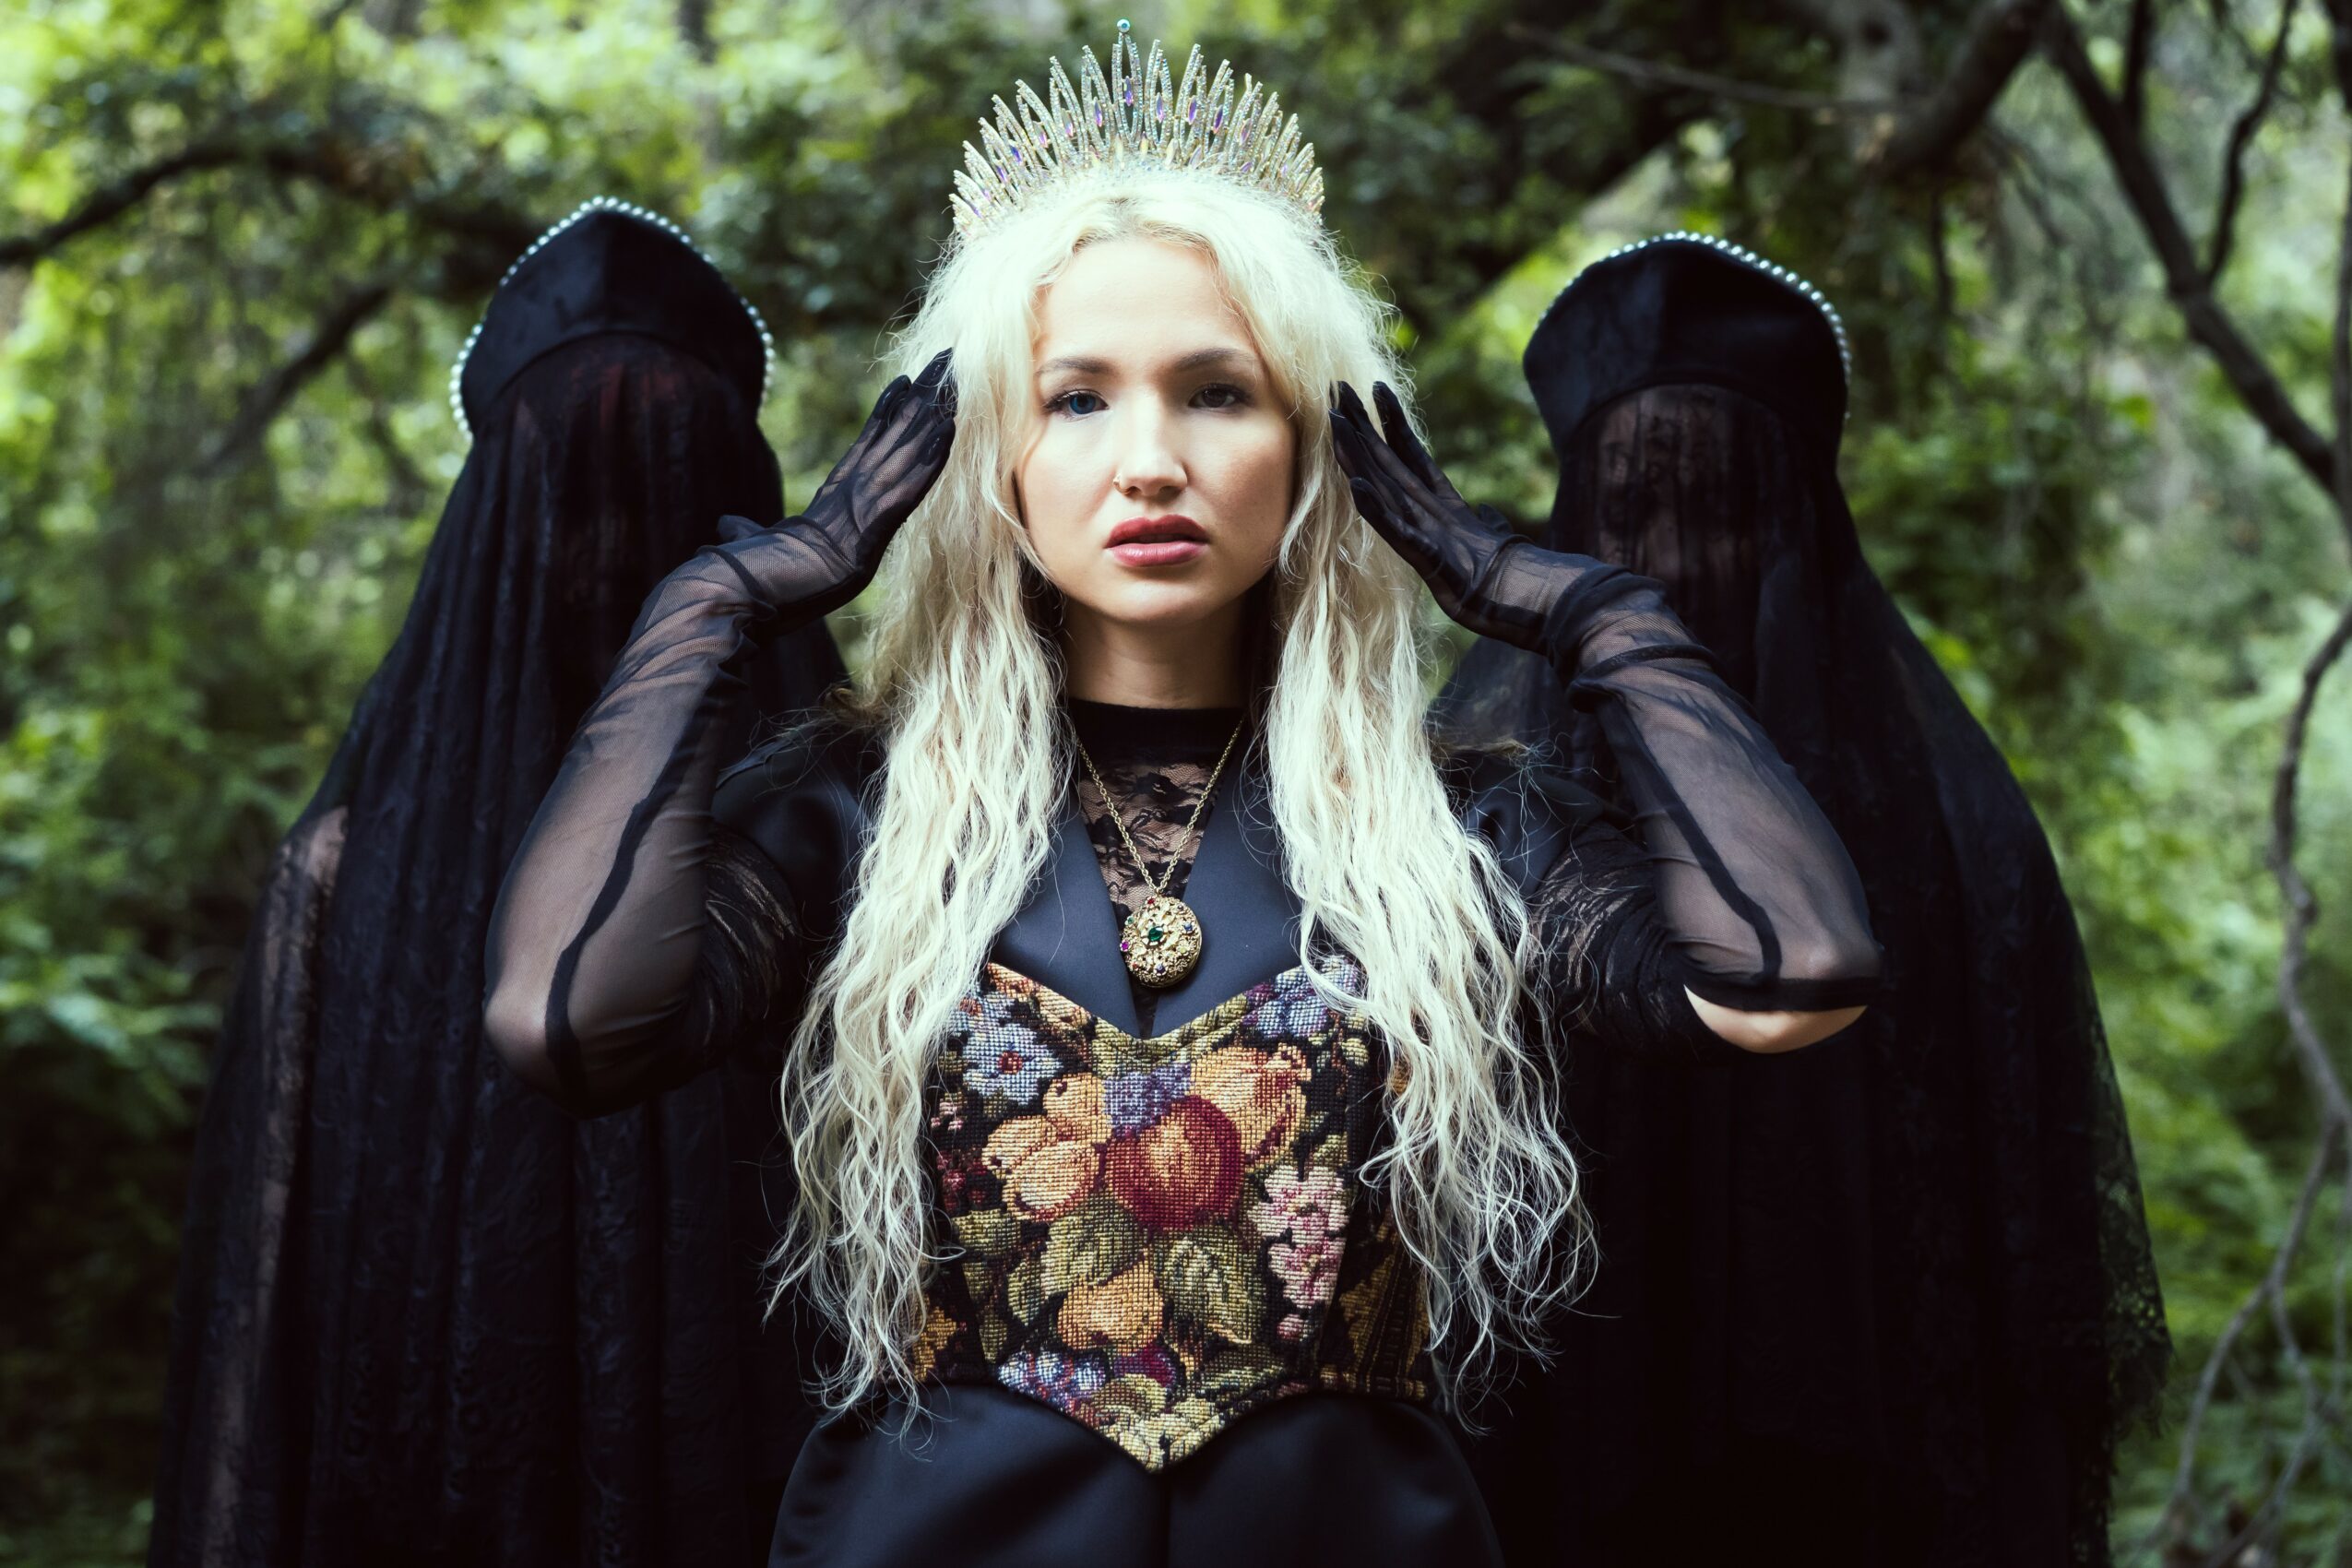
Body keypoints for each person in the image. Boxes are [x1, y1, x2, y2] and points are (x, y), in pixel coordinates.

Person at [481, 30, 1883, 1565]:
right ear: (986, 454)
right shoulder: (855, 817)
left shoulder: (1455, 828)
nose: (1149, 461)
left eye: (1218, 392)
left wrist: (1593, 615)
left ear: (1315, 446)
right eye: (1076, 400)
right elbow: (566, 1021)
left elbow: (1790, 974)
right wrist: (726, 599)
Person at [1436, 233, 2171, 1567]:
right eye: (1626, 517)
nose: (1665, 563)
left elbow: (2014, 1258)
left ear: (1796, 527)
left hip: (1868, 1478)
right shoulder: (1479, 803)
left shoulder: (1954, 826)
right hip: (1561, 1453)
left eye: (1716, 511)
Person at [148, 198, 847, 1568]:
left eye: (659, 488)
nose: (617, 546)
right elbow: (266, 1335)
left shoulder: (858, 842)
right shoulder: (339, 885)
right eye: (577, 493)